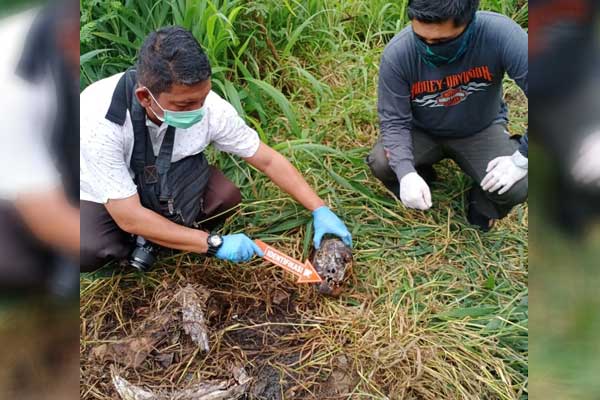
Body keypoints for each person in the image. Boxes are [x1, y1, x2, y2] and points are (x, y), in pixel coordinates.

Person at [80, 26, 352, 272]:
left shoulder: (210, 107)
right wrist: (212, 243)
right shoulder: (99, 120)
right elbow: (128, 216)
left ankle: (164, 234)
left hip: (166, 174)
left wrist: (319, 208)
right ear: (145, 97)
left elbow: (266, 159)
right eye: (185, 105)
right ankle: (141, 242)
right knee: (92, 248)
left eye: (203, 97)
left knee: (224, 197)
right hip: (101, 190)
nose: (198, 111)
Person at [367, 0, 528, 231]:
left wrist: (521, 159)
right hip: (422, 130)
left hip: (480, 129)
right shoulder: (399, 53)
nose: (430, 47)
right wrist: (405, 173)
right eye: (421, 39)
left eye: (441, 42)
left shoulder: (500, 35)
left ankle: (483, 202)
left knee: (519, 184)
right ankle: (422, 178)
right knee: (382, 163)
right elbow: (394, 121)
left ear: (469, 23)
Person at [0, 1, 80, 295]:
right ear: (68, 39)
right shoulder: (13, 84)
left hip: (60, 166)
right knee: (16, 265)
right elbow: (44, 214)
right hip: (19, 194)